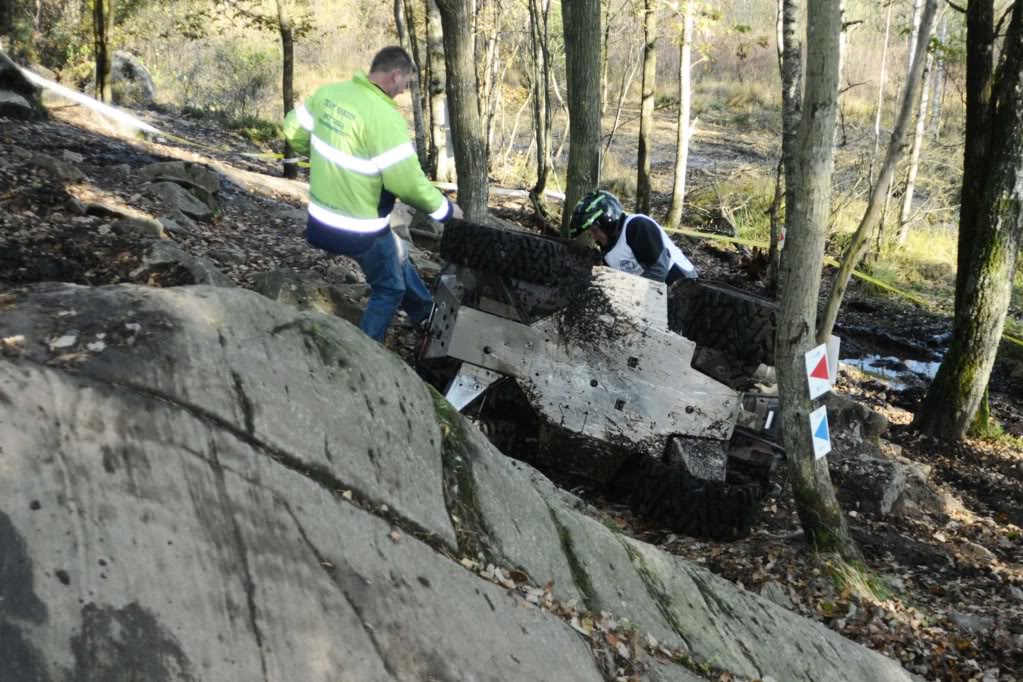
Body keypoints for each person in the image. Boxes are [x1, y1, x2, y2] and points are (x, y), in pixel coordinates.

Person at [283, 46, 459, 343]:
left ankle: (427, 318)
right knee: (390, 287)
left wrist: (325, 155)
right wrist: (446, 211)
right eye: (406, 84)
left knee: (398, 252)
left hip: (320, 219)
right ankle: (362, 353)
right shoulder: (384, 119)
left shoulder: (329, 93)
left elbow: (292, 128)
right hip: (357, 228)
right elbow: (407, 183)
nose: (404, 92)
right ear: (396, 74)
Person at [568, 190, 697, 284]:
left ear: (607, 221)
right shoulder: (607, 249)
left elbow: (658, 271)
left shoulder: (637, 226)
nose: (594, 237)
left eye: (594, 230)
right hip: (652, 289)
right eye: (590, 233)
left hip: (679, 281)